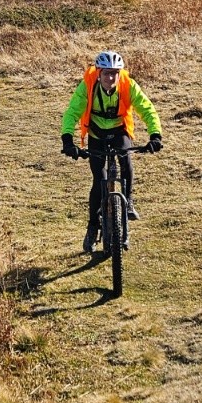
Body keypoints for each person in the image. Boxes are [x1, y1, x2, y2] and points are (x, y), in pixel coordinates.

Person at [60, 50, 163, 254]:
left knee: (126, 161)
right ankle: (92, 227)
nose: (110, 78)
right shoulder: (88, 86)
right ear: (98, 73)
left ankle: (128, 202)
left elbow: (146, 108)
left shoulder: (128, 85)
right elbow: (72, 112)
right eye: (106, 73)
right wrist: (67, 140)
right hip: (96, 133)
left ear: (119, 74)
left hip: (119, 130)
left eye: (114, 73)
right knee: (99, 179)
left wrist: (155, 135)